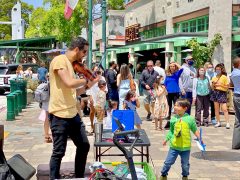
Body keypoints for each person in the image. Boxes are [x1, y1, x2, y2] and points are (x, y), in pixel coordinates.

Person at [48, 37, 99, 179]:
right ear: (76, 49)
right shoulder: (60, 61)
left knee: (84, 145)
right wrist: (85, 79)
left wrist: (90, 84)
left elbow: (75, 91)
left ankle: (79, 176)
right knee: (59, 152)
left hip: (72, 113)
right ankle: (54, 178)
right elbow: (70, 82)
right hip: (59, 114)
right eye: (84, 52)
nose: (85, 55)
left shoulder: (71, 64)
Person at [160, 99, 202, 180]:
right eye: (175, 105)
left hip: (186, 147)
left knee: (185, 164)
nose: (175, 107)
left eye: (178, 106)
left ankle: (185, 176)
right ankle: (163, 175)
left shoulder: (190, 119)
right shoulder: (173, 119)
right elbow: (171, 131)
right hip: (174, 146)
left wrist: (199, 137)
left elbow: (194, 129)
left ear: (185, 108)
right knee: (168, 162)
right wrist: (166, 139)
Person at [87, 66, 108, 133]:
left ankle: (99, 127)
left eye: (98, 70)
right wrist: (90, 98)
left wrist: (102, 98)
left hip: (100, 98)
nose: (97, 72)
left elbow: (105, 89)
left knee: (100, 113)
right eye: (96, 71)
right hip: (92, 96)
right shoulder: (90, 78)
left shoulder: (103, 78)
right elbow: (89, 88)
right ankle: (92, 126)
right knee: (92, 112)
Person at [210, 64, 230, 129]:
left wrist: (221, 85)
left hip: (222, 93)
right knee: (216, 109)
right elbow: (212, 88)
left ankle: (227, 123)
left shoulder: (224, 77)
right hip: (215, 92)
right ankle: (218, 122)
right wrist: (213, 84)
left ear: (221, 70)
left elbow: (227, 87)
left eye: (219, 69)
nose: (217, 70)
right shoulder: (214, 77)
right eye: (216, 69)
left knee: (224, 109)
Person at [164, 62, 183, 128]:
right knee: (168, 108)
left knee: (177, 107)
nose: (172, 67)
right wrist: (165, 90)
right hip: (168, 93)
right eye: (171, 66)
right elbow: (165, 84)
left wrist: (175, 63)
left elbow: (182, 68)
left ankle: (177, 122)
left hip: (175, 93)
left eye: (173, 66)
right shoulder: (167, 75)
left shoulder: (177, 74)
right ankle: (168, 123)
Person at [231, 57, 240, 149]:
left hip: (236, 96)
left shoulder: (233, 73)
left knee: (238, 121)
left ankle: (236, 144)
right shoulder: (238, 73)